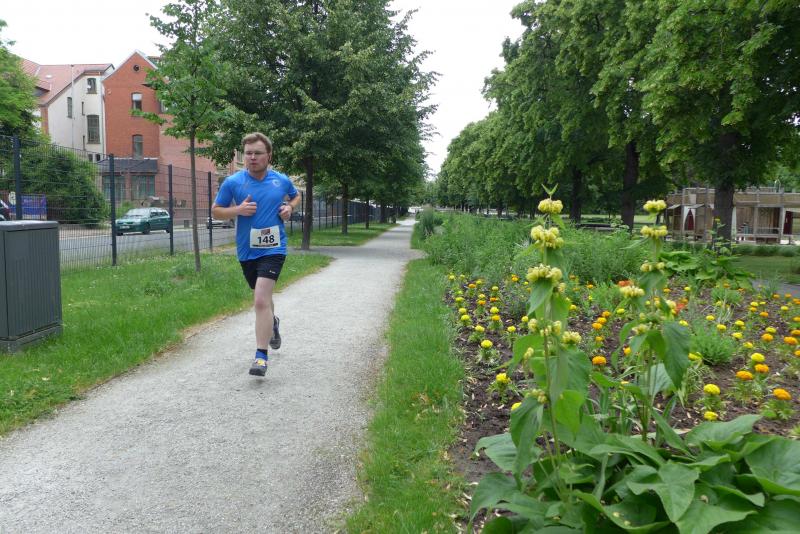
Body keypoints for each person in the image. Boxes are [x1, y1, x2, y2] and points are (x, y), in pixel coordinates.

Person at [212, 132, 300, 376]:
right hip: (247, 251)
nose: (252, 157)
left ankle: (261, 357)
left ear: (268, 155)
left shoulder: (280, 180)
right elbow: (216, 211)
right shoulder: (233, 182)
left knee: (260, 299)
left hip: (274, 248)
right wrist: (238, 210)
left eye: (257, 153)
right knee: (263, 297)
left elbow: (295, 196)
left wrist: (289, 208)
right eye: (248, 153)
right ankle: (272, 323)